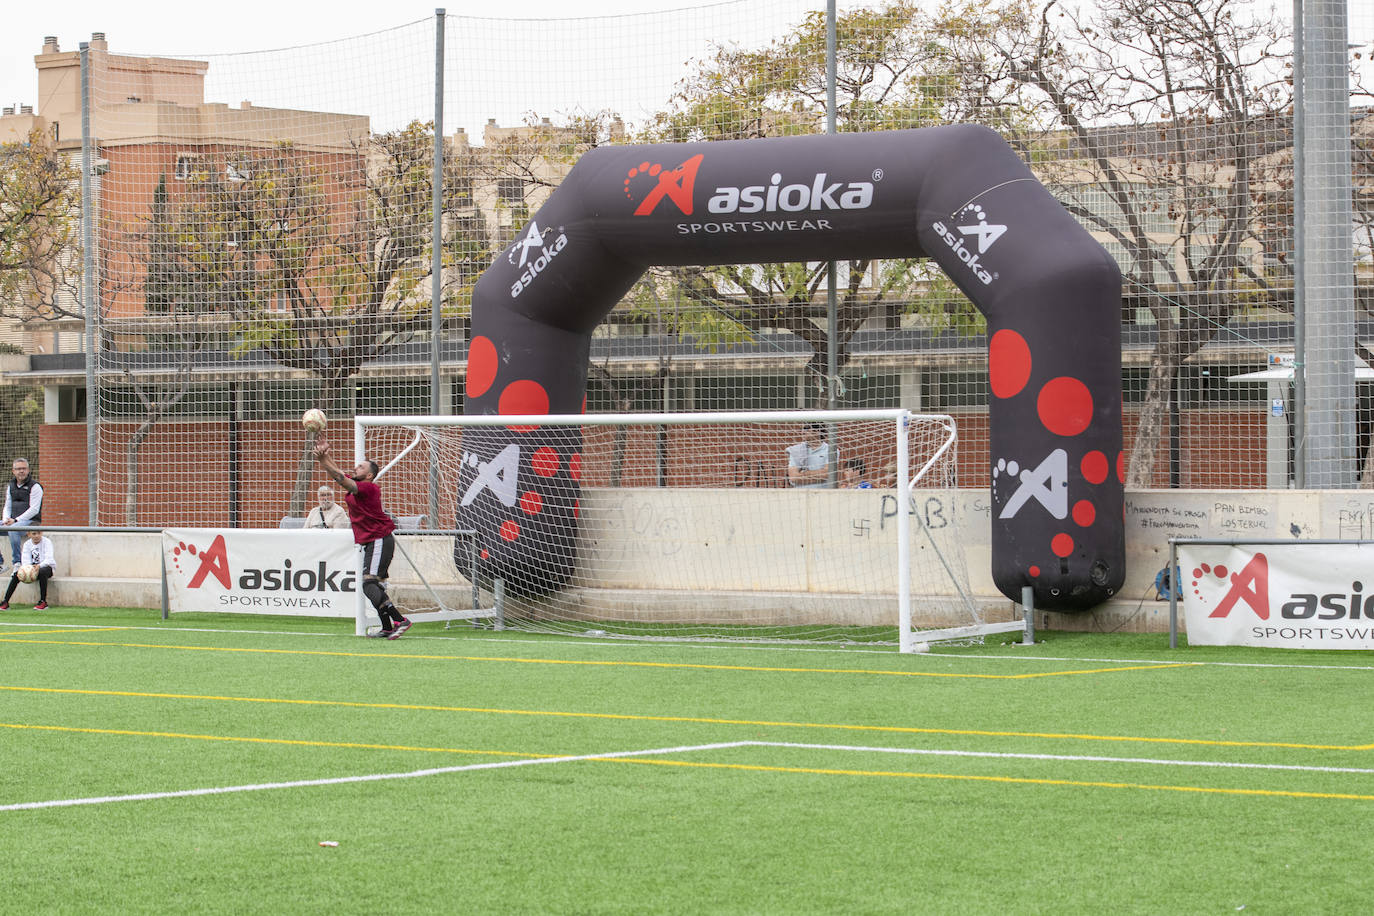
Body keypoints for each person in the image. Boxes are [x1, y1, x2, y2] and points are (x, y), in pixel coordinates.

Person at [313, 437, 411, 639]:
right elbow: (338, 475)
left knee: (368, 584)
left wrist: (325, 460)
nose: (355, 468)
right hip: (373, 541)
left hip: (379, 539)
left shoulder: (368, 488)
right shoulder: (358, 486)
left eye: (360, 467)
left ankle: (400, 620)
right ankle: (387, 627)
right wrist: (324, 457)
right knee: (376, 586)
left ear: (369, 475)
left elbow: (340, 477)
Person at [1, 528, 55, 611]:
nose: (37, 536)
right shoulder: (27, 544)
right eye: (34, 533)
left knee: (42, 572)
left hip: (46, 568)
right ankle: (5, 602)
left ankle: (43, 601)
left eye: (39, 533)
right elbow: (25, 561)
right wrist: (29, 569)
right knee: (16, 574)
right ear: (29, 534)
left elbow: (49, 559)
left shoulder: (47, 542)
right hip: (32, 569)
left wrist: (39, 566)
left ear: (42, 533)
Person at [3, 457, 42, 568]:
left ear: (28, 470)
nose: (21, 471)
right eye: (18, 469)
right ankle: (0, 563)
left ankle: (17, 563)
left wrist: (16, 520)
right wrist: (6, 519)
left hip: (30, 522)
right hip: (13, 521)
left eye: (24, 468)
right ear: (13, 471)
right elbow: (7, 505)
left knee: (13, 530)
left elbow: (34, 509)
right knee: (10, 527)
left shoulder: (35, 486)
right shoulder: (11, 486)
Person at [786, 422, 832, 488]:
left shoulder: (831, 450)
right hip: (800, 496)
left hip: (823, 495)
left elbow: (827, 474)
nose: (803, 431)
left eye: (806, 428)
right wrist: (819, 474)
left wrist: (803, 474)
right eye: (803, 429)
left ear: (817, 431)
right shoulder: (796, 450)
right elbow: (793, 477)